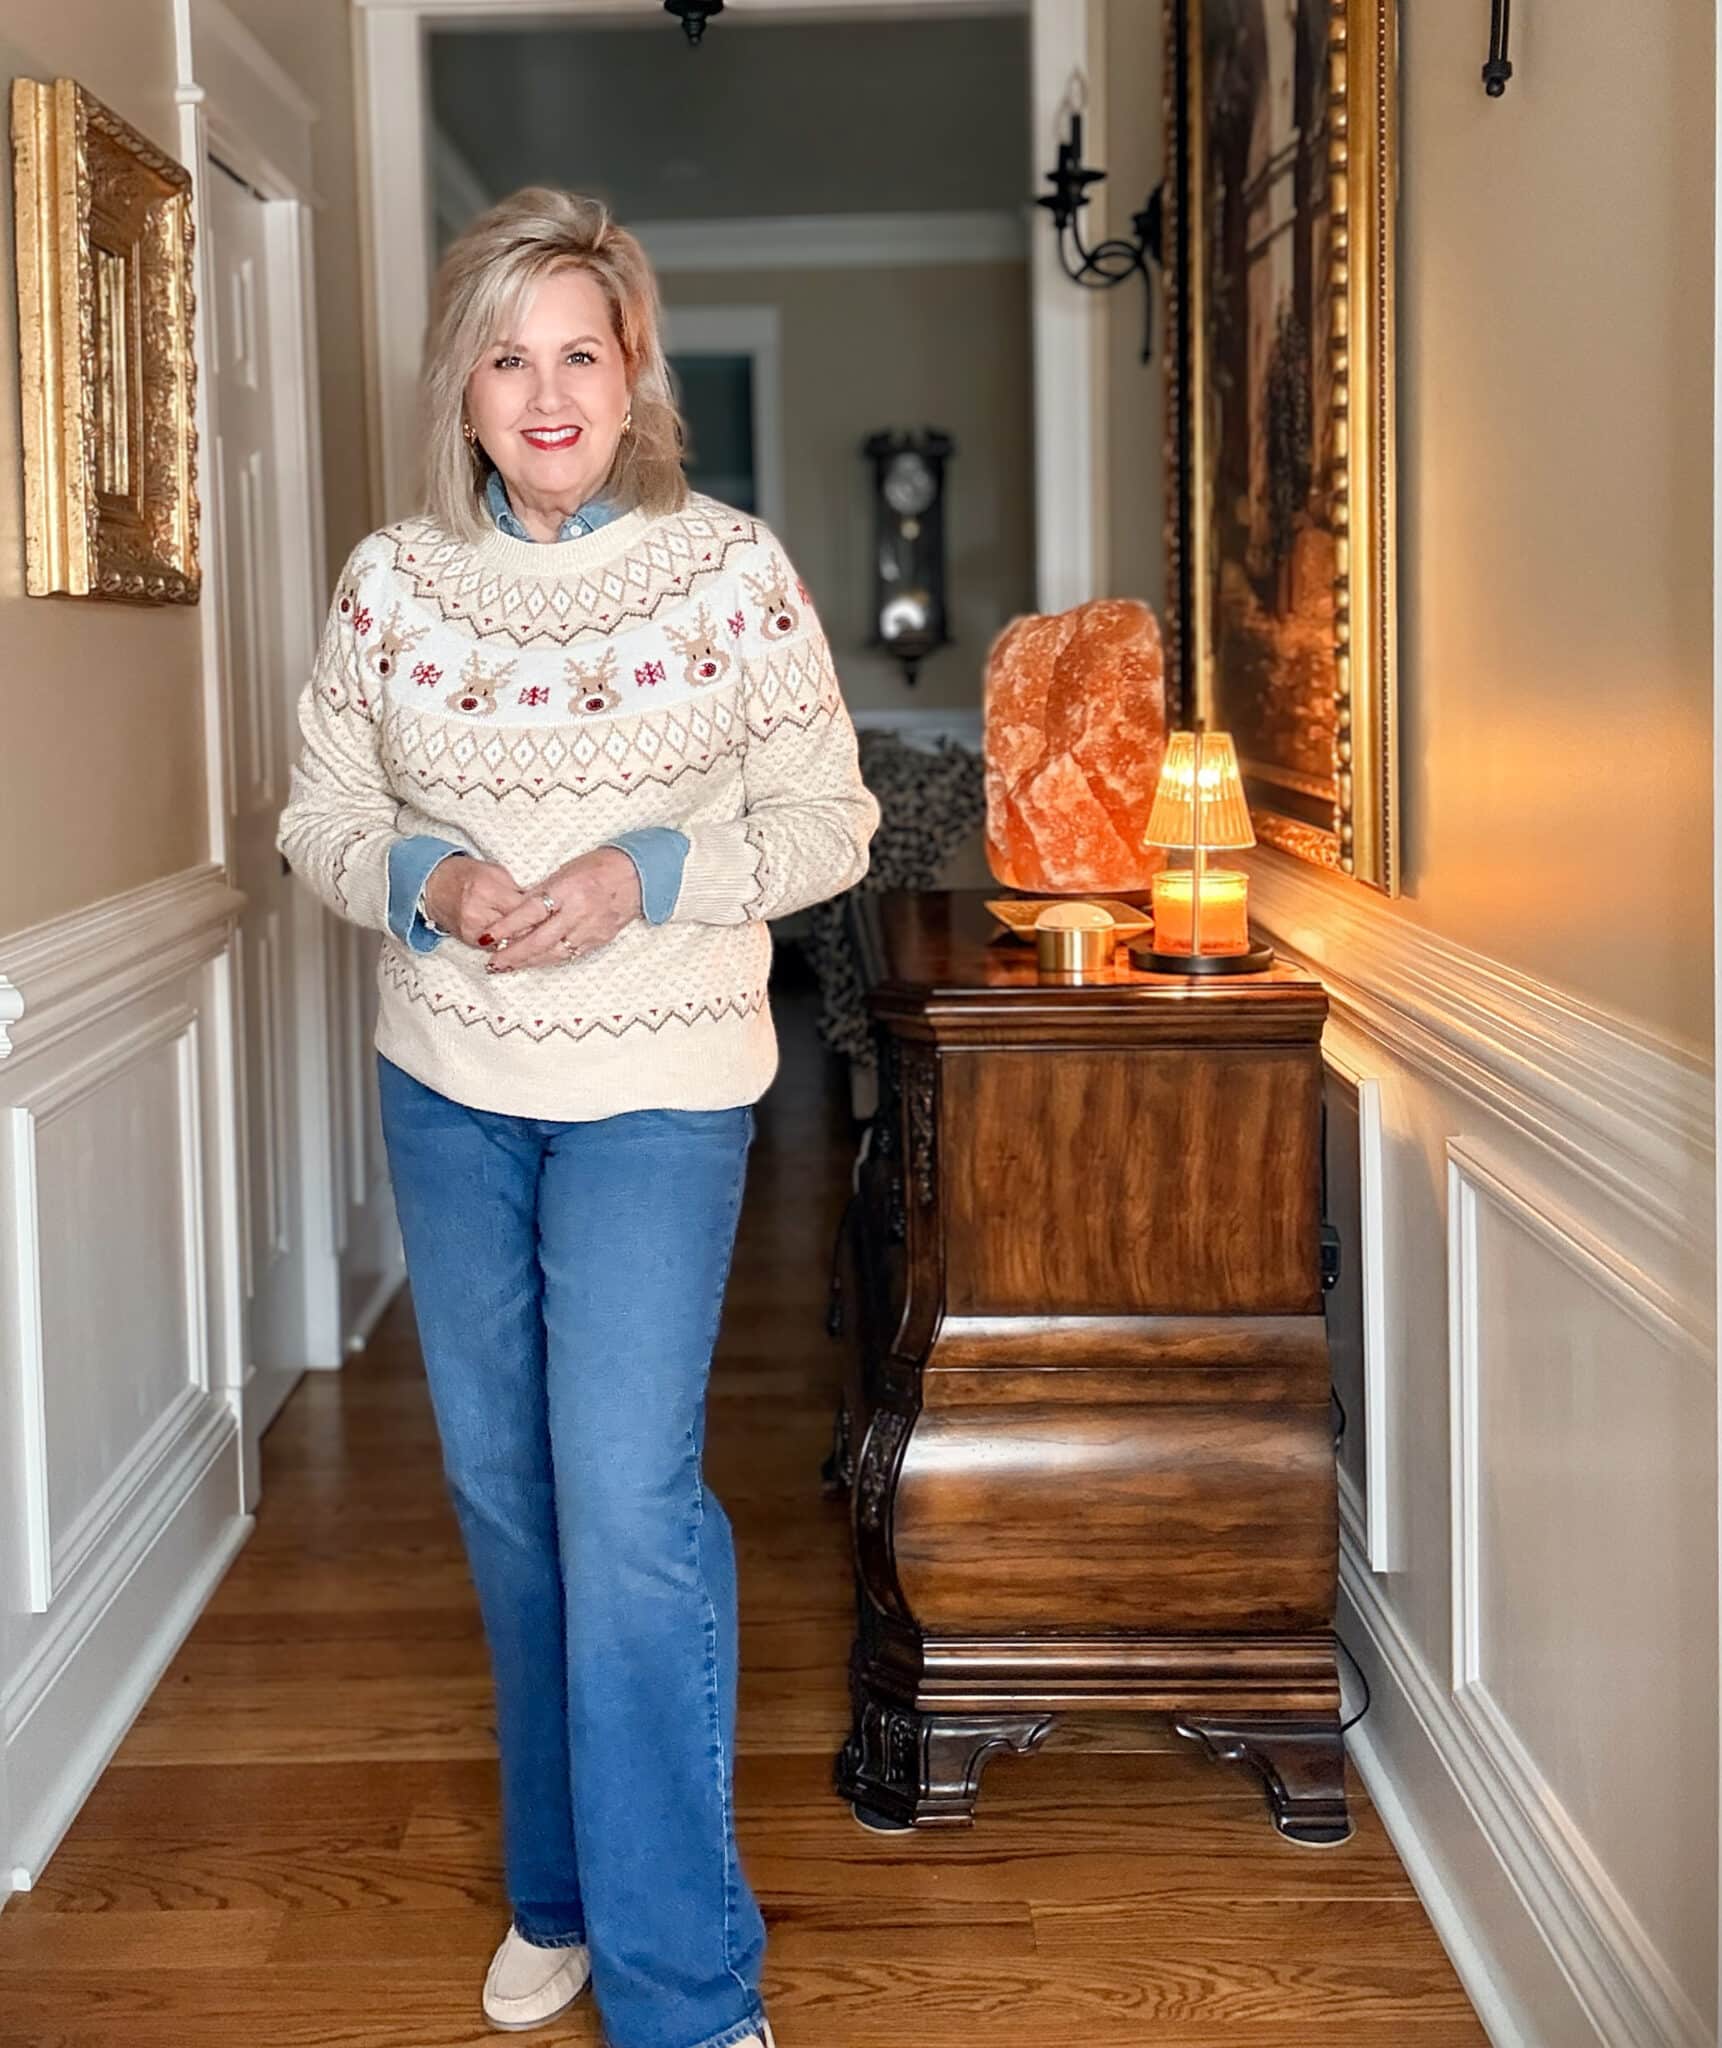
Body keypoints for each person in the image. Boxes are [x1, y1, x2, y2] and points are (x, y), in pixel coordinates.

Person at [277, 186, 880, 2048]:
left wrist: (642, 874)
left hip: (661, 1096)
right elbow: (317, 819)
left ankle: (687, 1988)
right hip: (450, 1091)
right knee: (511, 1506)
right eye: (506, 356)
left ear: (634, 377)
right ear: (462, 389)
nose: (546, 392)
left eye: (580, 353)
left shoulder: (729, 572)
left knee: (625, 1513)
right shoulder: (390, 584)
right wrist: (429, 882)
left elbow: (832, 826)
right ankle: (559, 1891)